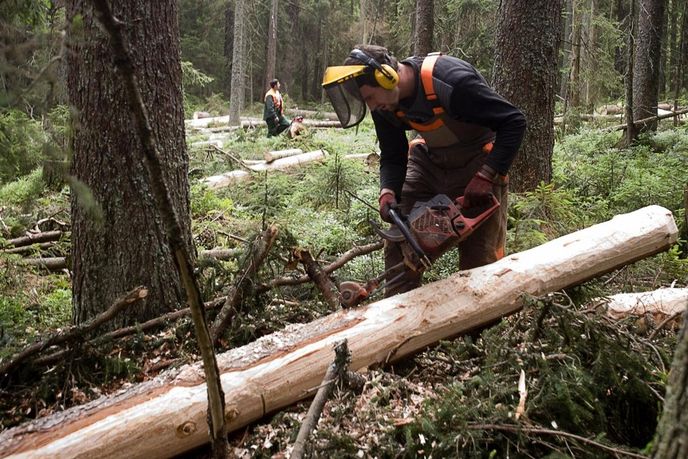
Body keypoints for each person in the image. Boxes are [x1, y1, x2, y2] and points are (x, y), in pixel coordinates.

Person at [322, 45, 526, 296]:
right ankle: (395, 311)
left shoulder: (451, 81)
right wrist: (388, 191)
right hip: (429, 161)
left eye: (371, 98)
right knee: (399, 239)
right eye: (367, 102)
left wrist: (486, 175)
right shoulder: (385, 103)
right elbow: (393, 153)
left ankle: (481, 325)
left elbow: (514, 122)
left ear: (386, 76)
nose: (372, 107)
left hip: (477, 161)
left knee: (480, 258)